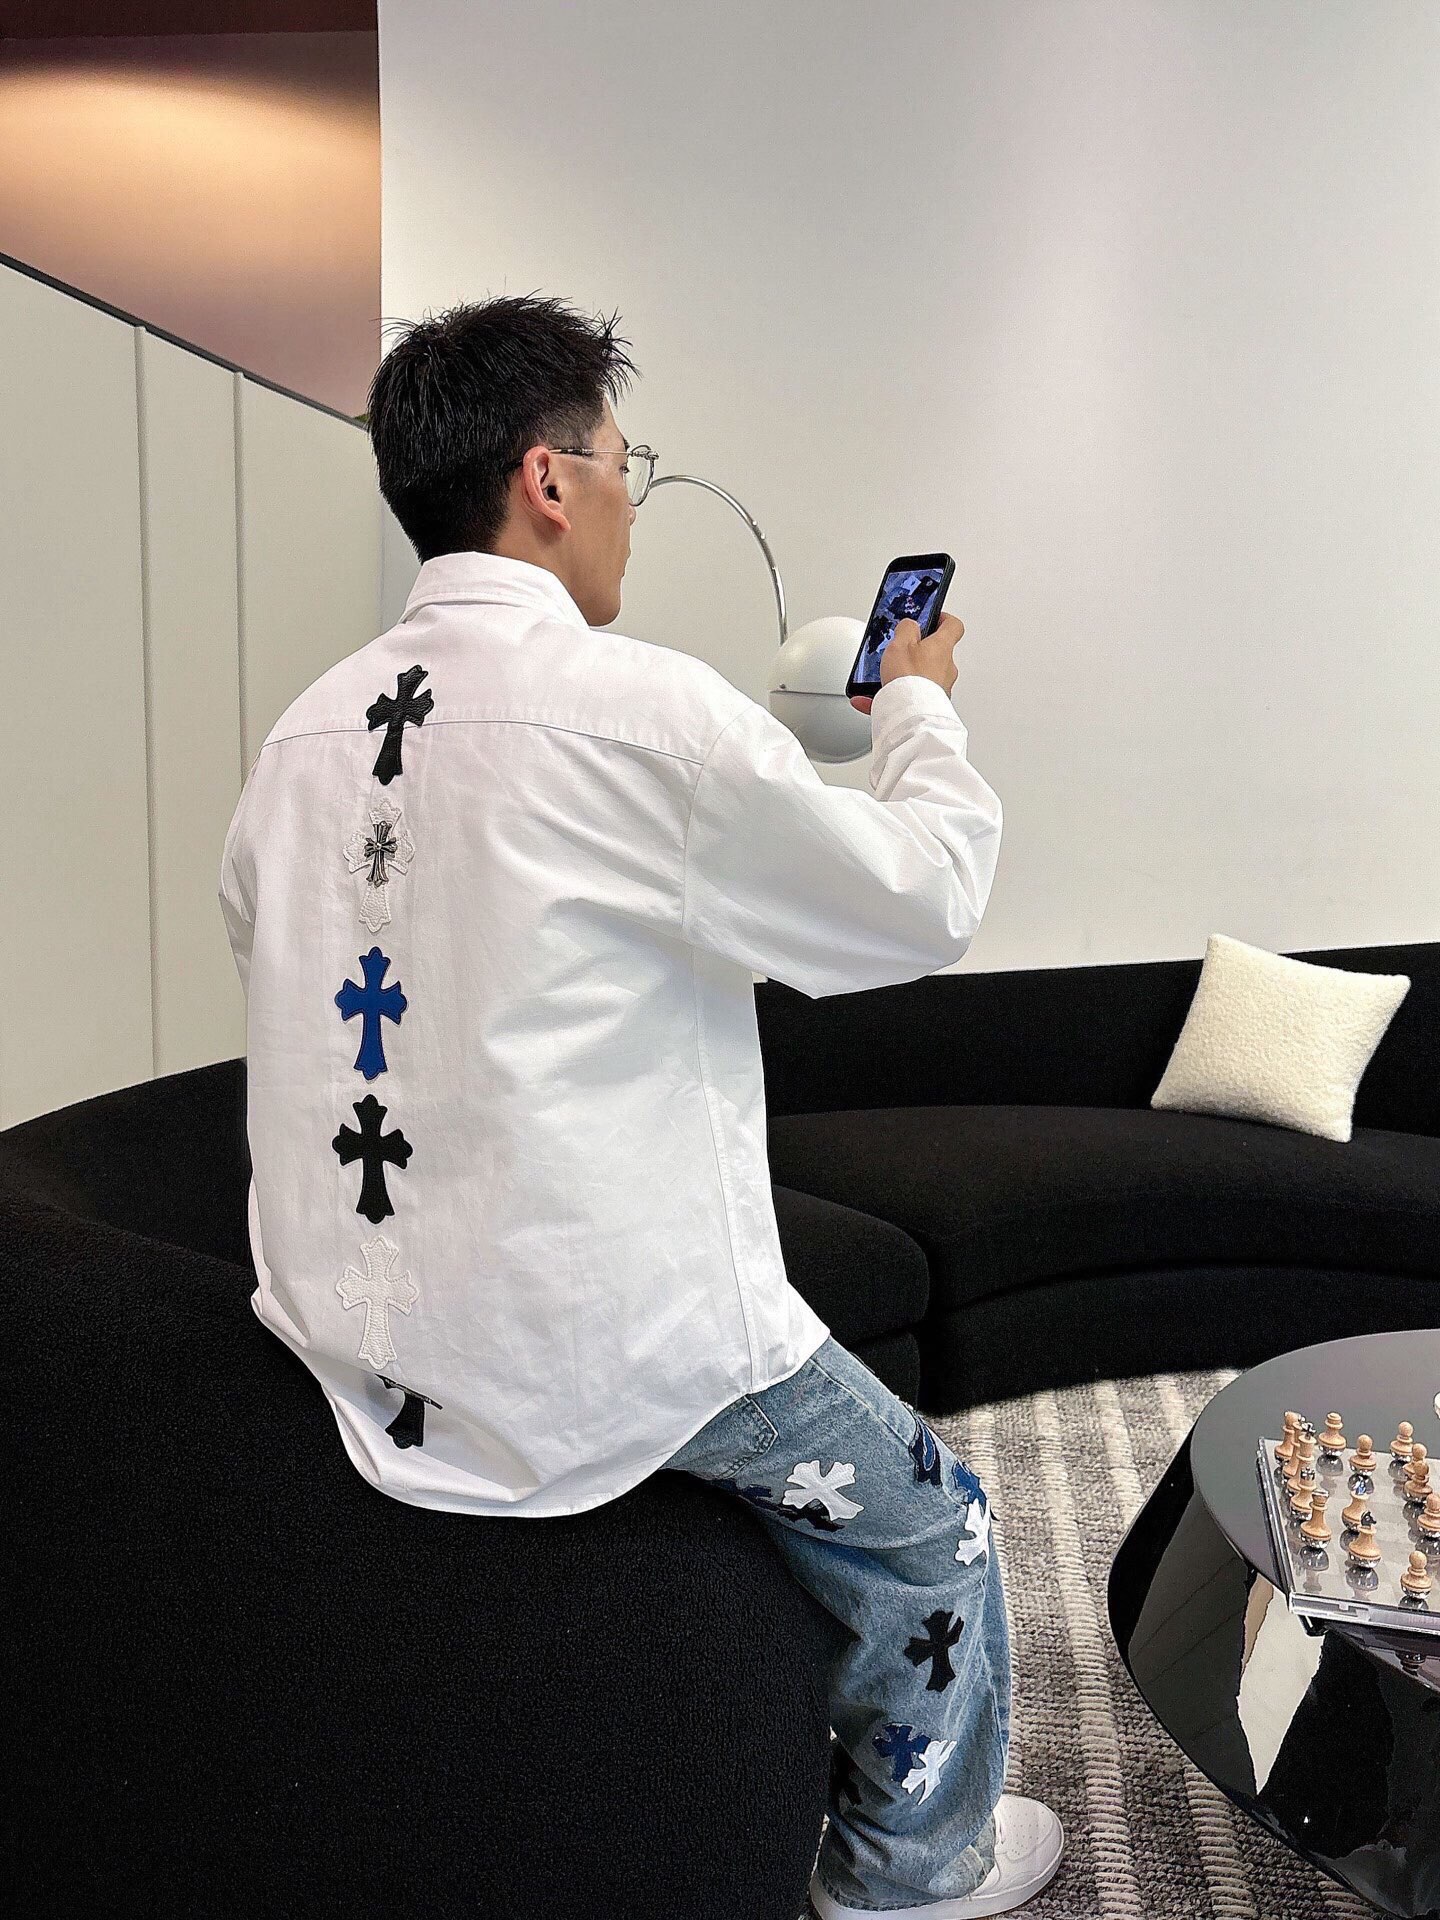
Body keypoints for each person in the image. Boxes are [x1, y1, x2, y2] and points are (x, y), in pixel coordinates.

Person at [218, 293, 1064, 1917]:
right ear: (549, 480)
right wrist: (916, 703)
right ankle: (913, 1870)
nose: (633, 500)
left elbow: (275, 947)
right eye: (629, 465)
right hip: (598, 1349)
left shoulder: (301, 736)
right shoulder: (641, 711)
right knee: (939, 1530)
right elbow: (924, 895)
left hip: (359, 1338)